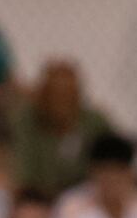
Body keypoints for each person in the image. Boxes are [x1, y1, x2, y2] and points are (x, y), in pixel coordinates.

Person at [9, 60, 114, 200]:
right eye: (55, 95)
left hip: (85, 204)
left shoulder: (95, 124)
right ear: (43, 95)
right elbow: (21, 178)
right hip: (38, 202)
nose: (62, 104)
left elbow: (115, 166)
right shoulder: (25, 123)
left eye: (68, 95)